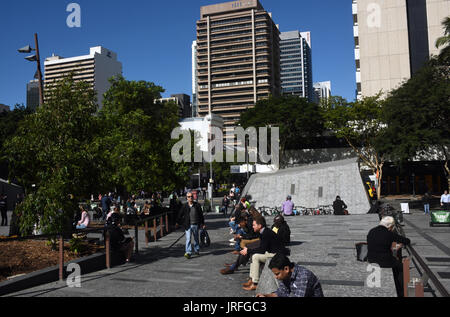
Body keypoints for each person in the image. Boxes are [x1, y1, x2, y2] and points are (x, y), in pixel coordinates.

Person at [238, 217, 288, 291]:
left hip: (276, 254)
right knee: (253, 254)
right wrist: (248, 249)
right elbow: (261, 246)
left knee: (255, 256)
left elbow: (261, 250)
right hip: (272, 252)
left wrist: (248, 250)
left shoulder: (266, 233)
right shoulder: (263, 232)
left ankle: (255, 283)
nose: (252, 226)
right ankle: (252, 279)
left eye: (254, 225)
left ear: (259, 226)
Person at [367, 216, 411, 297]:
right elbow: (406, 241)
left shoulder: (371, 231)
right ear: (390, 226)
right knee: (401, 268)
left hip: (371, 259)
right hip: (385, 261)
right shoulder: (389, 234)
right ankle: (401, 291)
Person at [256, 253, 324, 297]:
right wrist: (265, 296)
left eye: (277, 274)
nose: (276, 277)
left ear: (286, 269)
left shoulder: (303, 276)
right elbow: (281, 293)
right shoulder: (285, 275)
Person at [177, 191, 205, 259]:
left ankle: (196, 249)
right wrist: (178, 222)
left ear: (193, 197)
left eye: (191, 196)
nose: (190, 198)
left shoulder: (197, 205)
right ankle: (188, 252)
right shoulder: (184, 206)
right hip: (188, 225)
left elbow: (201, 215)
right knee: (188, 239)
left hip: (195, 224)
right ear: (187, 198)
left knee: (196, 238)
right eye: (189, 197)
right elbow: (180, 214)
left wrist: (203, 223)